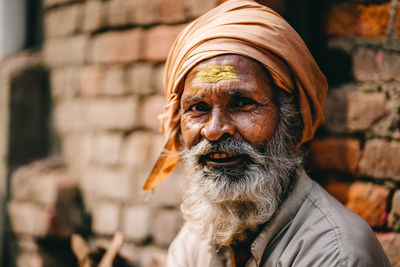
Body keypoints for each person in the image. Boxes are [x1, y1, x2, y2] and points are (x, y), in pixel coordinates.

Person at [143, 0, 390, 266]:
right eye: (198, 107)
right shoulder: (194, 240)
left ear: (290, 119)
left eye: (241, 103)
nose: (214, 130)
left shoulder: (335, 254)